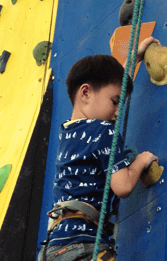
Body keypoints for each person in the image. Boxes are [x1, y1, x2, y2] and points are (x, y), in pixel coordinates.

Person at [39, 37, 160, 261]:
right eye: (115, 103)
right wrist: (140, 162)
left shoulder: (67, 133)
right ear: (85, 93)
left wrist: (133, 60)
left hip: (52, 249)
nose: (117, 113)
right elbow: (122, 186)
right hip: (83, 247)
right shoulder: (104, 130)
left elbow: (107, 87)